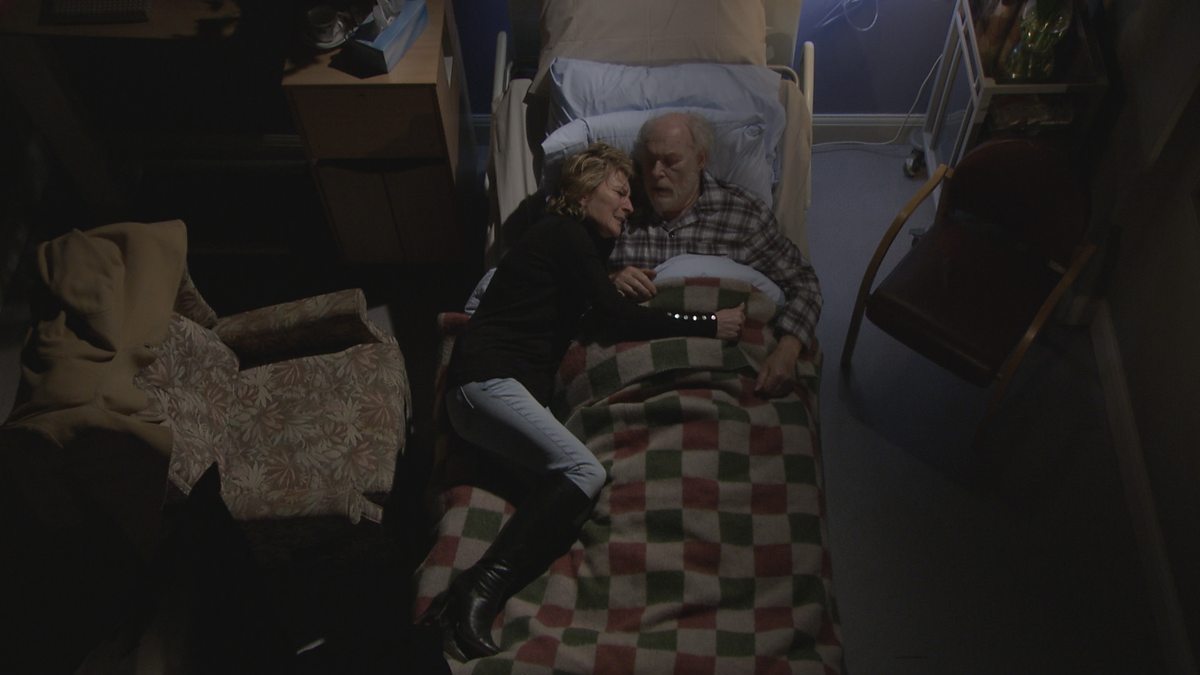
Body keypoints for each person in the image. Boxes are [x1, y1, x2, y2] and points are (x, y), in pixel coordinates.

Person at [420, 142, 746, 660]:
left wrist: (609, 283)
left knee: (566, 504)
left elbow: (592, 303)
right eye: (620, 192)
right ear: (583, 189)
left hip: (495, 393)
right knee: (584, 472)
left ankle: (461, 605)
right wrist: (707, 322)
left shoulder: (574, 250)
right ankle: (476, 589)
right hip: (485, 384)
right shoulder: (563, 232)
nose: (629, 205)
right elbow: (618, 317)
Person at [610, 111, 822, 398]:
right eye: (649, 162)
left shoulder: (743, 215)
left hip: (727, 366)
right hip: (642, 368)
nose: (657, 172)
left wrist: (788, 348)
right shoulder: (620, 214)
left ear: (700, 160)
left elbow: (804, 284)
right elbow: (576, 283)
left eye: (671, 161)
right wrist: (611, 279)